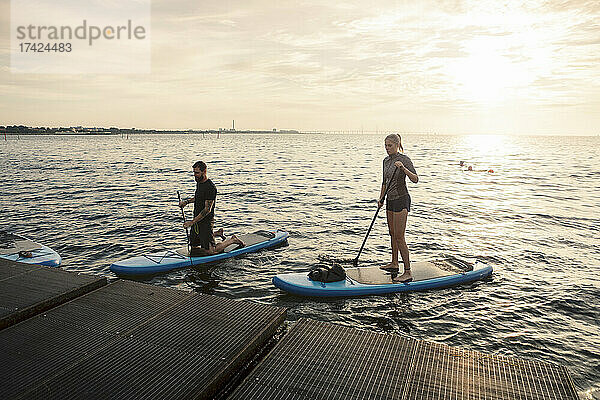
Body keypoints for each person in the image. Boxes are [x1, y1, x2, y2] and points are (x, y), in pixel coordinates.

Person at [378, 134, 419, 283]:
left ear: (397, 145)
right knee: (392, 233)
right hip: (390, 200)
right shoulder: (385, 161)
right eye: (386, 146)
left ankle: (408, 271)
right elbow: (384, 182)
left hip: (402, 199)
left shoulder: (404, 159)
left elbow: (415, 179)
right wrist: (381, 198)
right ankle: (394, 263)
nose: (387, 148)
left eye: (390, 145)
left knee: (400, 237)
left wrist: (403, 169)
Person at [179, 161, 242, 256]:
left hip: (206, 222)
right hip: (197, 220)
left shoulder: (210, 187)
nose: (194, 175)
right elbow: (198, 197)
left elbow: (207, 209)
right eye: (194, 172)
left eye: (197, 172)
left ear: (204, 172)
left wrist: (192, 222)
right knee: (194, 248)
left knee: (211, 252)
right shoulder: (199, 182)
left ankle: (232, 240)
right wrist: (186, 202)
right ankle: (217, 233)